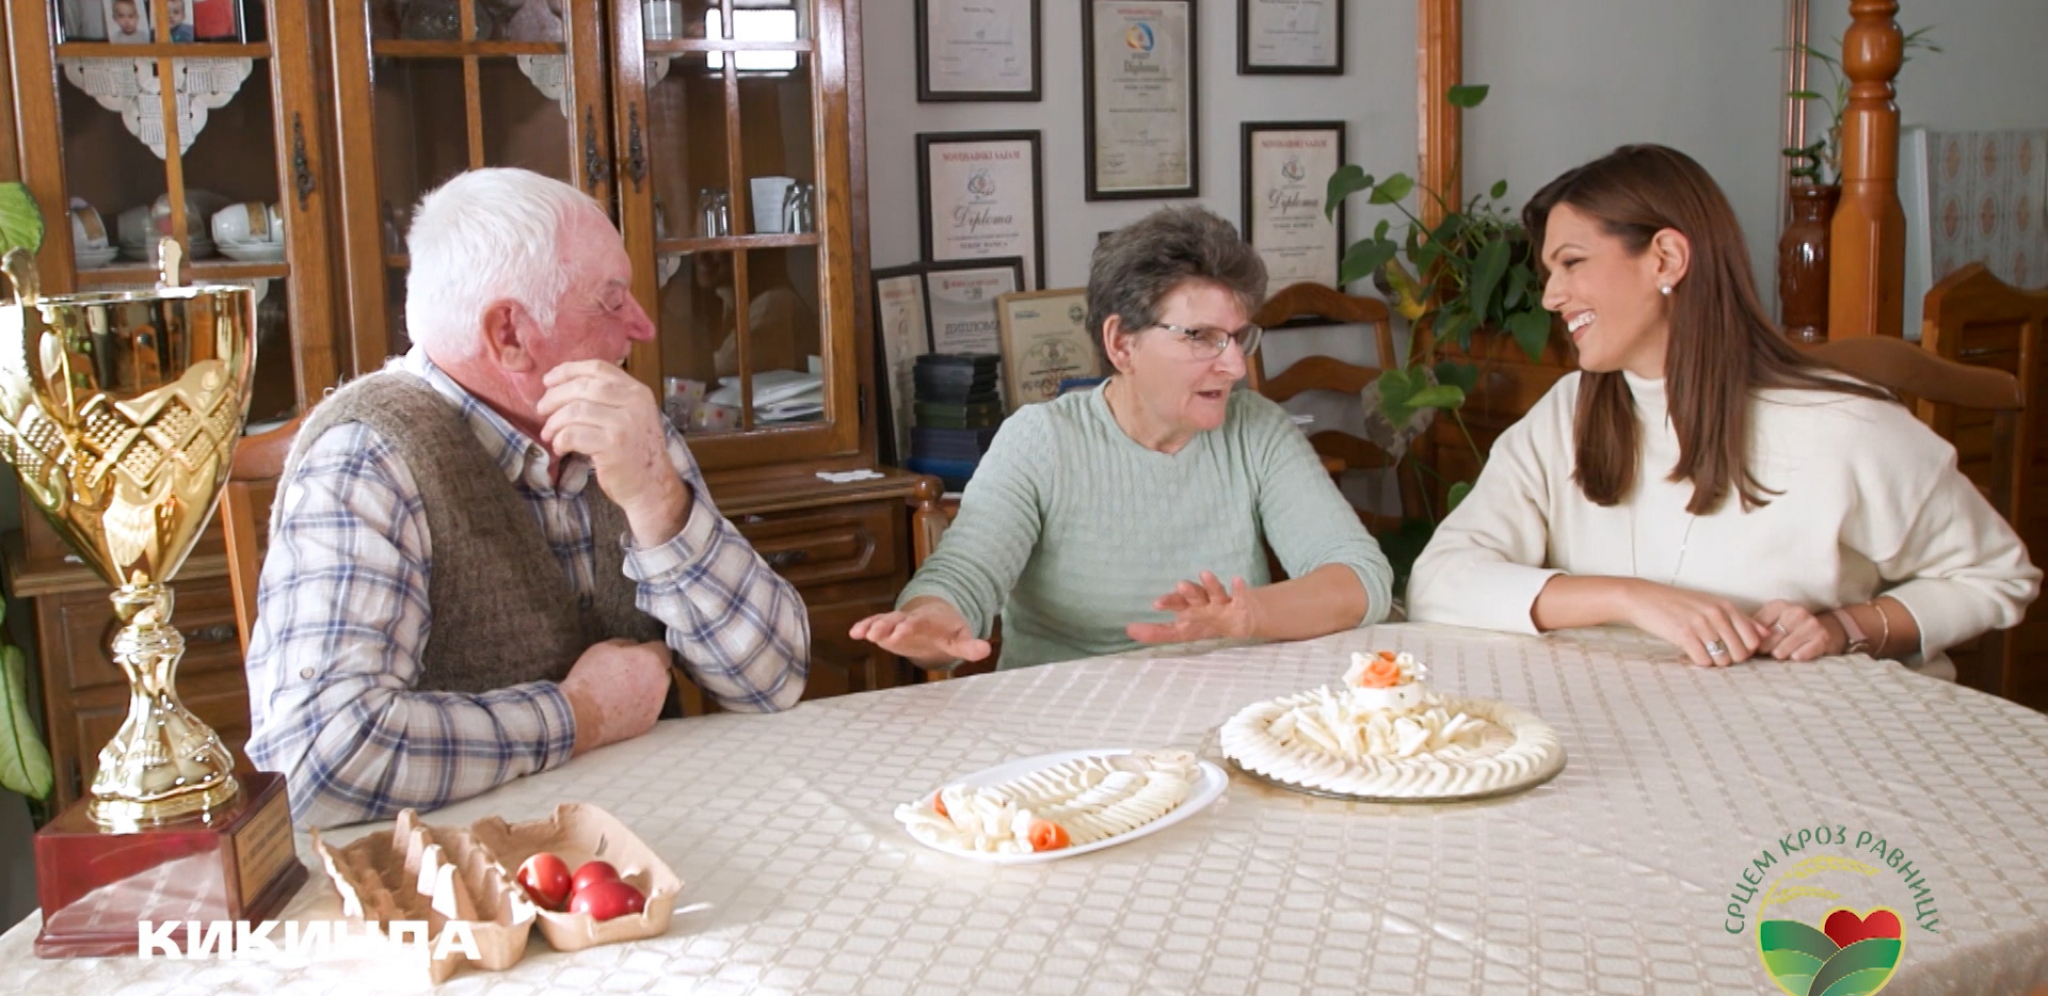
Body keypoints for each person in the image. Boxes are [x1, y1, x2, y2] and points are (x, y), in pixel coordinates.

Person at [246, 168, 810, 828]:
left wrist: (659, 499)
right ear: (510, 334)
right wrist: (580, 715)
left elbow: (774, 679)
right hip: (472, 870)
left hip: (662, 832)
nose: (642, 326)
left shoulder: (620, 425)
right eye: (611, 301)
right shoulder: (367, 459)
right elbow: (314, 756)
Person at [1407, 144, 2039, 674]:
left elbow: (1997, 576)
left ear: (1667, 258)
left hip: (1806, 744)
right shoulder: (1566, 416)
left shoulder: (1844, 428)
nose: (1551, 296)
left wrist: (1848, 627)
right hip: (1629, 732)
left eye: (1571, 262)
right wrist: (1632, 600)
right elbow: (1438, 581)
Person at [851, 206, 1394, 670]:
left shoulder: (1257, 430)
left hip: (1225, 713)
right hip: (1067, 727)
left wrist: (1250, 615)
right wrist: (932, 619)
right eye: (1202, 337)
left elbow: (1360, 579)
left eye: (1237, 338)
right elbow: (965, 574)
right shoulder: (1041, 441)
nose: (1234, 365)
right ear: (1121, 343)